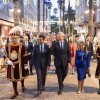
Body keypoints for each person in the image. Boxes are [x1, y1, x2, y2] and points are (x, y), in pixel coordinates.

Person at [5, 26, 29, 99]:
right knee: (13, 79)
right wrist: (7, 60)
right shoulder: (7, 46)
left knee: (21, 77)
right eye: (12, 38)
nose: (14, 40)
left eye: (15, 38)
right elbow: (6, 55)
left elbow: (25, 56)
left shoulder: (22, 46)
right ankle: (15, 92)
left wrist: (25, 65)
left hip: (20, 65)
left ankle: (23, 85)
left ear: (18, 38)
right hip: (11, 66)